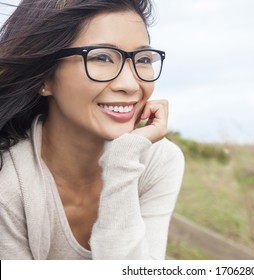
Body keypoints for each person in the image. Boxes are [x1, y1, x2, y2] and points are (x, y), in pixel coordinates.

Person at [0, 0, 185, 260]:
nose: (131, 84)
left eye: (142, 59)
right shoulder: (9, 181)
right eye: (101, 57)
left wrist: (123, 161)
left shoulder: (157, 160)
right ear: (45, 78)